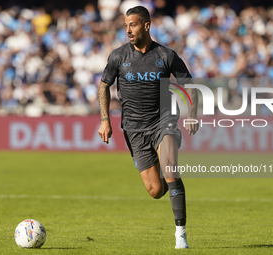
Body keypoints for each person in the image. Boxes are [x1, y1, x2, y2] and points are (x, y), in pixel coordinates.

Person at [98, 6, 198, 249]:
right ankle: (168, 182)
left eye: (132, 24)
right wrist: (105, 119)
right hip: (134, 130)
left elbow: (191, 86)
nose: (128, 30)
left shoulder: (166, 55)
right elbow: (103, 86)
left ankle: (180, 235)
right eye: (125, 25)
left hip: (164, 122)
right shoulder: (118, 56)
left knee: (171, 169)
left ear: (146, 25)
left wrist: (192, 114)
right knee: (155, 190)